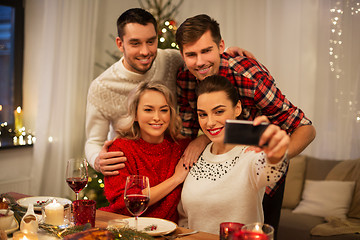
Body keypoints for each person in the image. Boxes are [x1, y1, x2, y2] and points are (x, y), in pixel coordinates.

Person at [175, 14, 316, 238]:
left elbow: (306, 128)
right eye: (191, 55)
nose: (199, 62)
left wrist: (278, 154)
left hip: (259, 164)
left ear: (221, 46)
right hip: (216, 164)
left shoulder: (249, 76)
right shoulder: (184, 77)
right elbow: (190, 129)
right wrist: (201, 138)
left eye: (206, 51)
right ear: (181, 55)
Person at [85, 8, 253, 176]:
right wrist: (96, 160)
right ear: (120, 44)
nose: (145, 52)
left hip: (174, 158)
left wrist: (229, 54)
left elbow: (200, 56)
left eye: (151, 41)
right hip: (131, 166)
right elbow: (93, 141)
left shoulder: (171, 59)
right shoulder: (101, 87)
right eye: (135, 43)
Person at [177, 75, 290, 234]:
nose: (209, 122)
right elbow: (185, 218)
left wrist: (276, 152)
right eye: (203, 114)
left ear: (237, 108)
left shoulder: (251, 156)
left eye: (219, 112)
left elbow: (272, 171)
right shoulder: (196, 154)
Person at [102, 81, 191, 222]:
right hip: (126, 229)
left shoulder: (180, 147)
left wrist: (201, 140)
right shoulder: (120, 149)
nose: (157, 117)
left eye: (163, 110)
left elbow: (211, 139)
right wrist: (175, 179)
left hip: (168, 232)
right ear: (135, 114)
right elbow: (124, 204)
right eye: (148, 110)